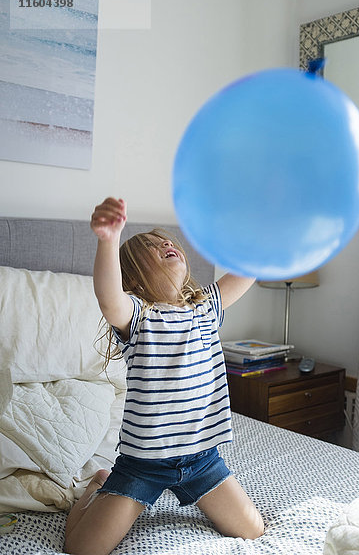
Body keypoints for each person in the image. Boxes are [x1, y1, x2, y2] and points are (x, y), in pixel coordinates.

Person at [64, 197, 264, 555]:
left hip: (202, 458)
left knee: (252, 529)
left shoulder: (206, 308)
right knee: (82, 549)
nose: (166, 245)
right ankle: (97, 487)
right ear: (135, 278)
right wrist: (108, 240)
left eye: (167, 242)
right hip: (144, 464)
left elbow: (249, 269)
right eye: (151, 247)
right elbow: (109, 298)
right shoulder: (139, 317)